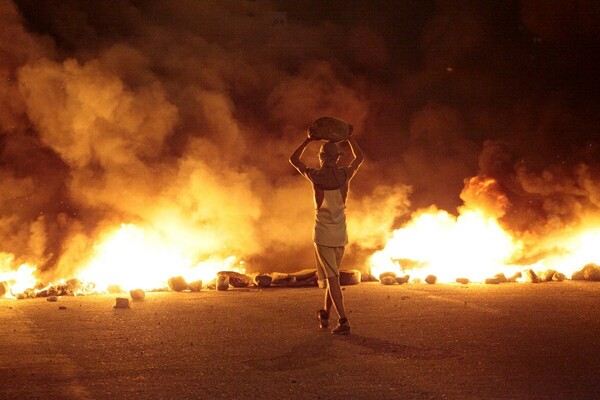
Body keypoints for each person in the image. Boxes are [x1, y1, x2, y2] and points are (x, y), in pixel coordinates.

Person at [289, 132, 364, 334]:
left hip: (322, 236)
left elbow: (294, 160)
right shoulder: (344, 176)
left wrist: (307, 140)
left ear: (321, 157)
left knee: (334, 279)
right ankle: (325, 314)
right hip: (341, 235)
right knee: (333, 278)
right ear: (338, 157)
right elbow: (360, 158)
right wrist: (349, 137)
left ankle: (344, 320)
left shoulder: (316, 176)